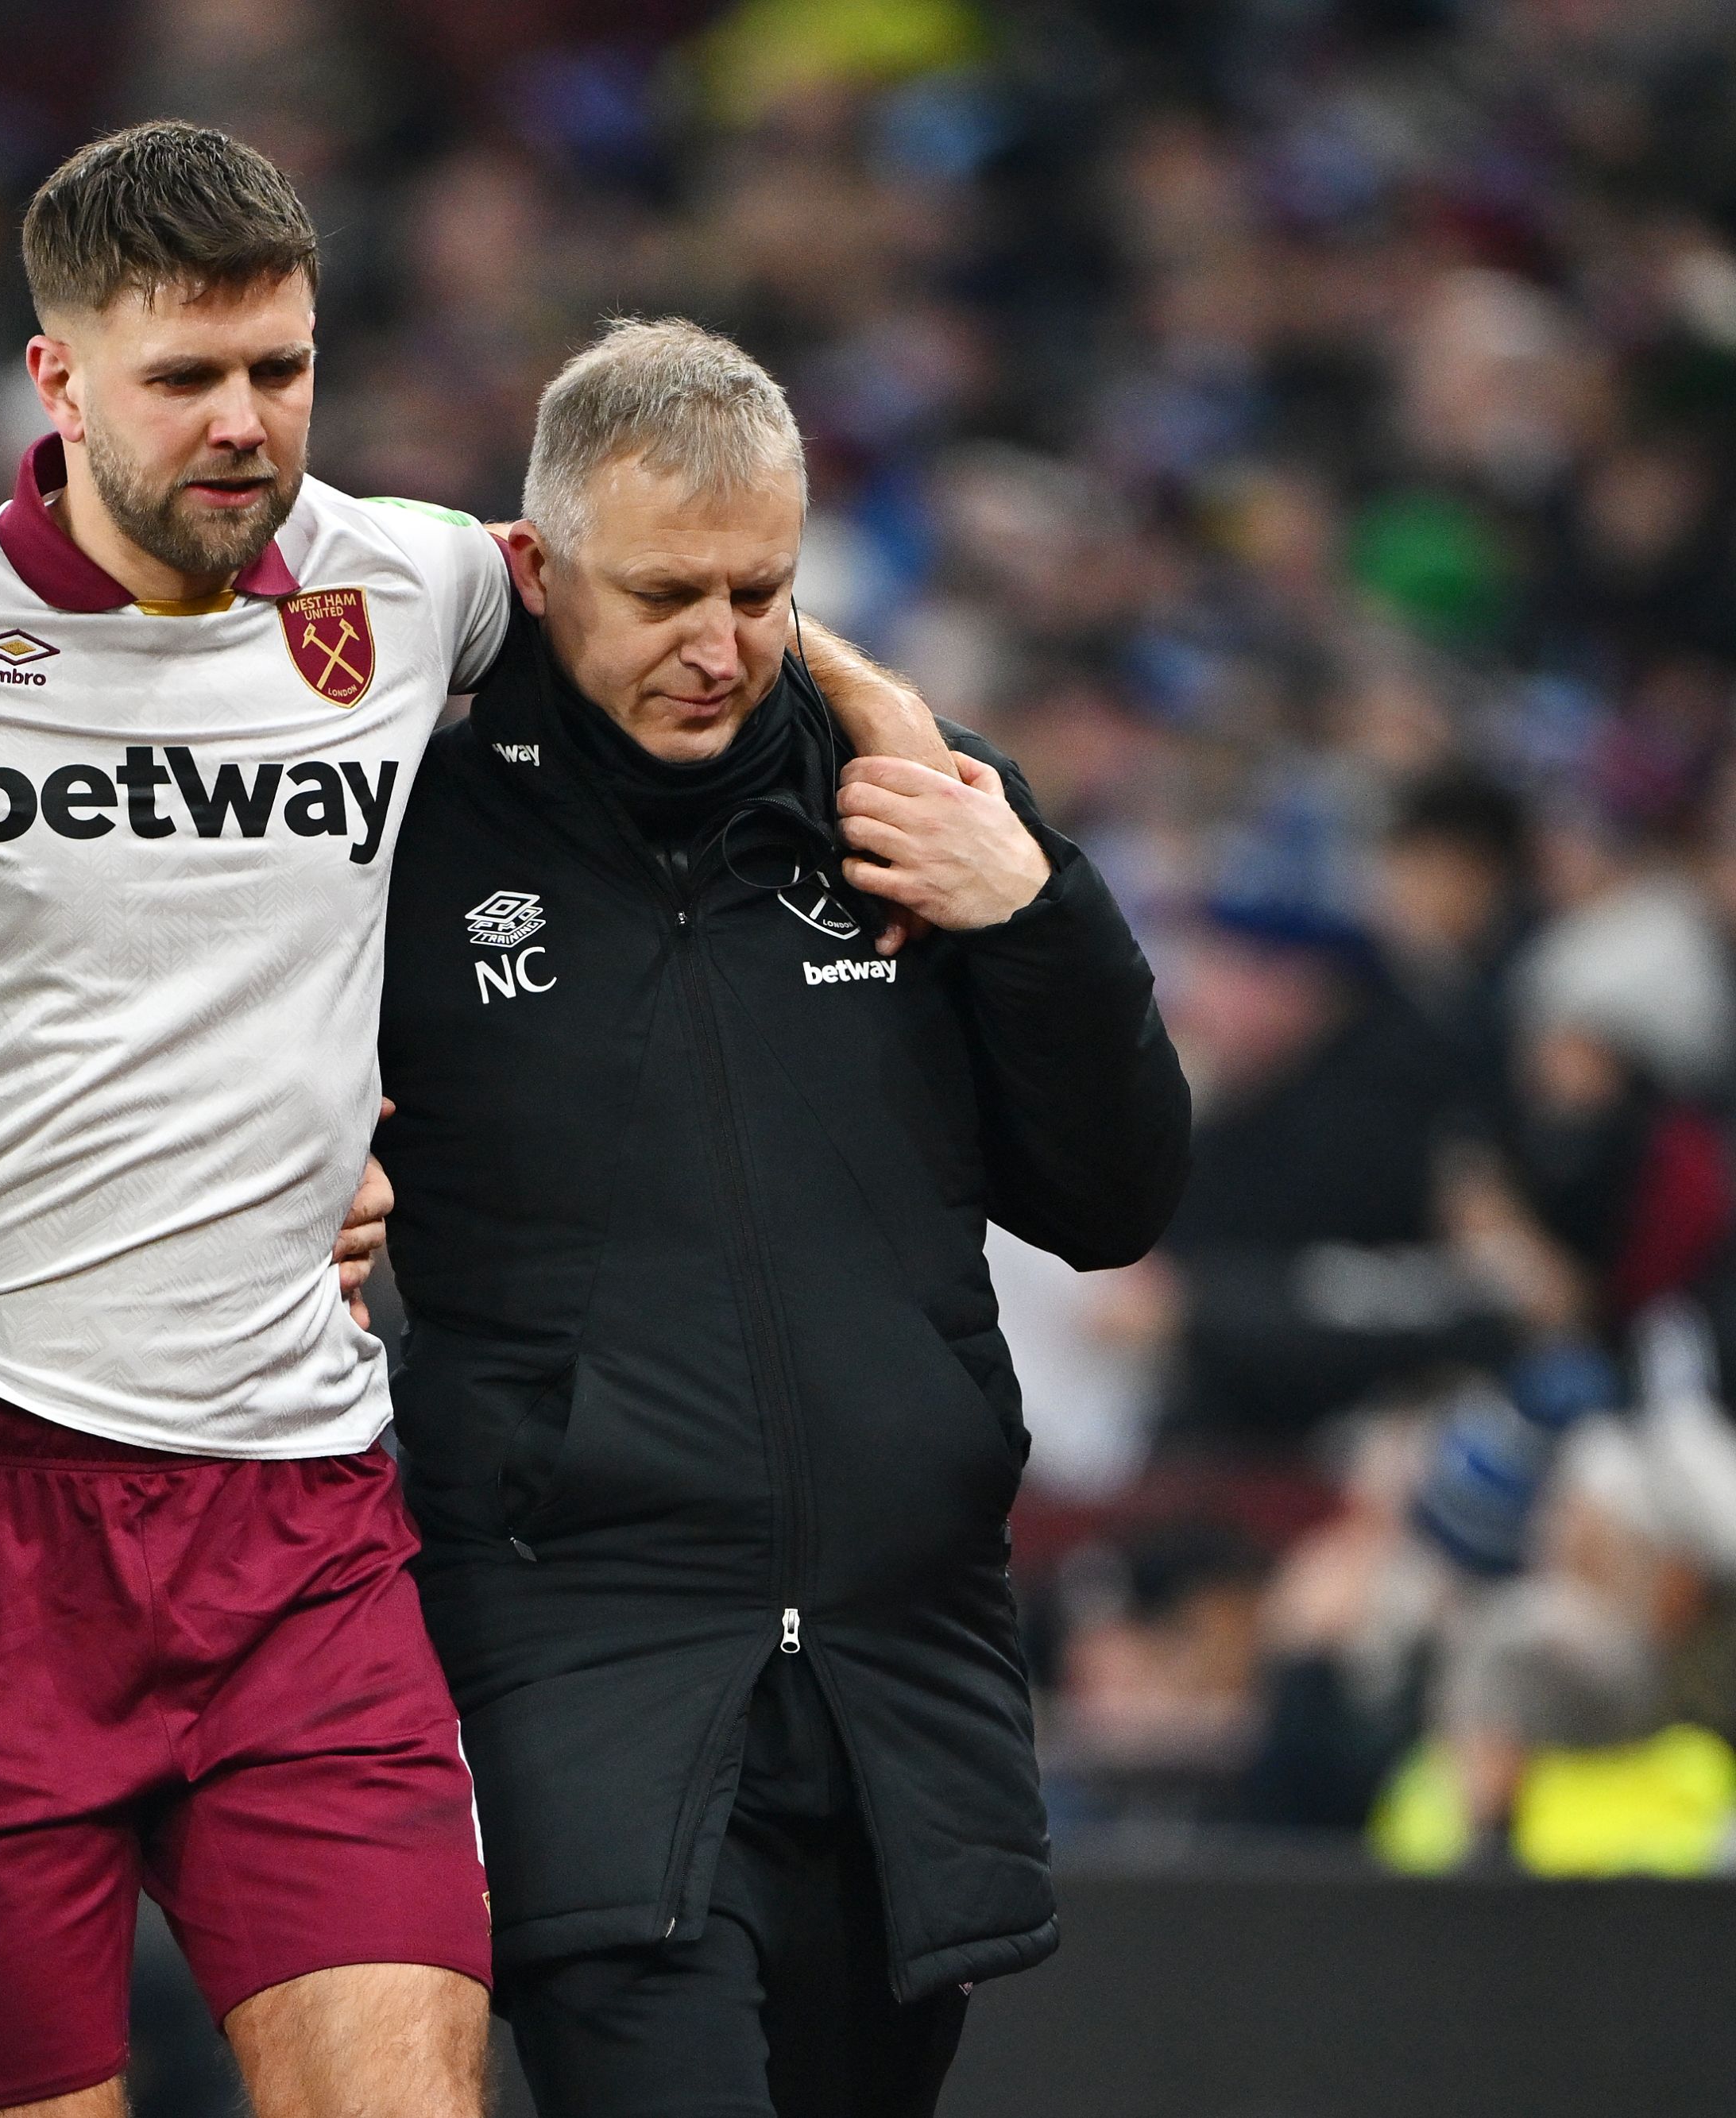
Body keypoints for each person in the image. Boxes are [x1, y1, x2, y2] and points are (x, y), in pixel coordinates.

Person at [0, 124, 953, 2118]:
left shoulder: (400, 587)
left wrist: (897, 723)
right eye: (186, 377)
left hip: (302, 1514)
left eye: (281, 369)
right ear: (56, 383)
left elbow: (660, 592)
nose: (245, 424)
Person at [373, 319, 1192, 2117]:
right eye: (664, 589)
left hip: (902, 1666)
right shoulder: (402, 829)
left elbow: (1115, 1199)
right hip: (583, 1652)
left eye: (760, 589)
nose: (718, 643)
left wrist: (1030, 904)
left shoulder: (913, 802)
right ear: (529, 568)